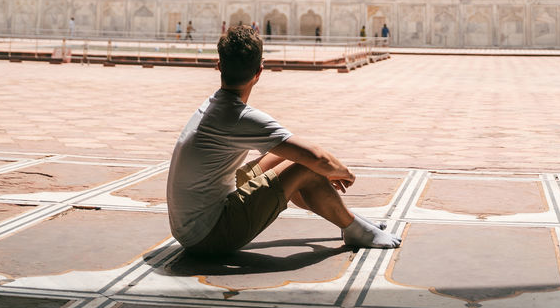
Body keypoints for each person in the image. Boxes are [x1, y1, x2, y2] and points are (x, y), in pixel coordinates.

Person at [166, 23, 400, 255]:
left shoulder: (213, 106)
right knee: (307, 167)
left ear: (219, 66)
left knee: (287, 157)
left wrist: (326, 166)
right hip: (208, 236)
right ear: (259, 72)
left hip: (192, 225)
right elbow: (316, 157)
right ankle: (354, 228)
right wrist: (344, 172)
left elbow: (306, 154)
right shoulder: (236, 116)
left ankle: (348, 218)